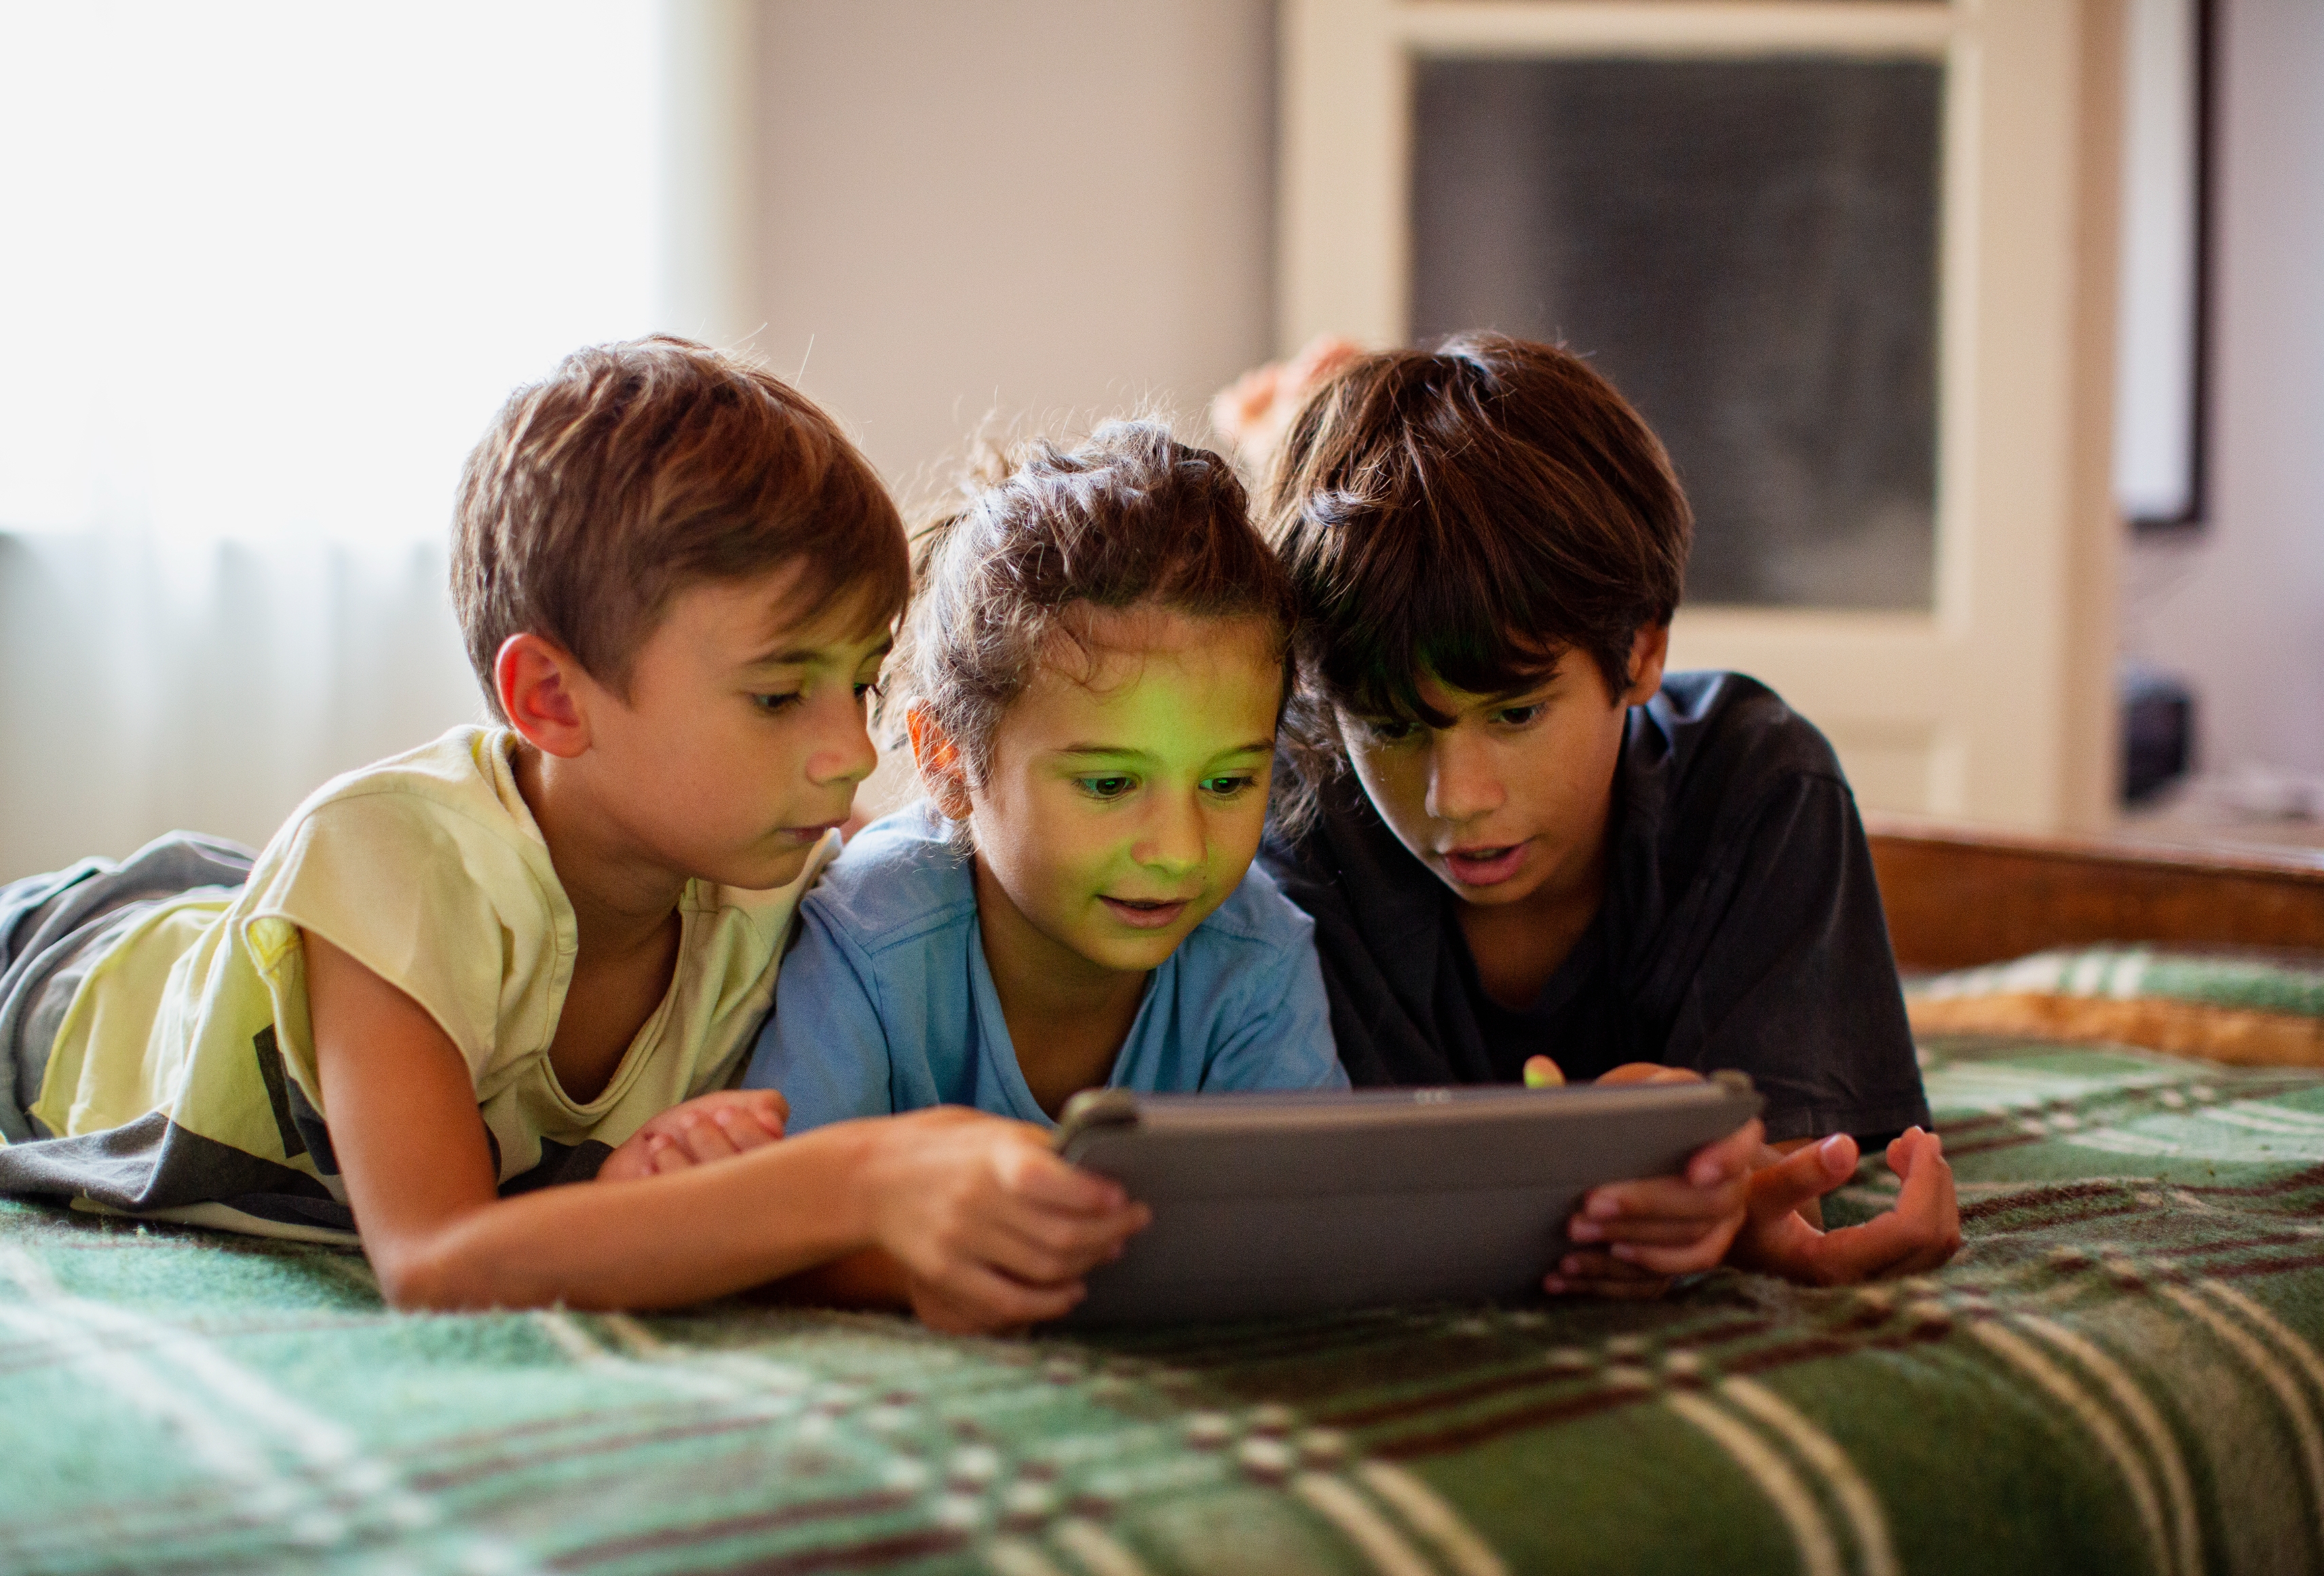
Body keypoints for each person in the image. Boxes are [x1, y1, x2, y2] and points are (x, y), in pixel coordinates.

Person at [0, 337, 1147, 1330]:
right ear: (551, 698)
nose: (851, 750)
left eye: (858, 684)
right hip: (67, 976)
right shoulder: (398, 862)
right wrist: (851, 1182)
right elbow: (436, 1260)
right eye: (776, 694)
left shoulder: (782, 868)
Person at [1223, 333, 1962, 1290]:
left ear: (1643, 655)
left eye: (1517, 712)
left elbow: (1782, 1178)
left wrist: (1733, 1207)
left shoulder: (1756, 788)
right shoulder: (1281, 825)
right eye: (1396, 728)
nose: (1459, 798)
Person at [734, 421, 1346, 1146]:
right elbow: (783, 1221)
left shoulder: (1257, 958)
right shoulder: (868, 939)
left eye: (1227, 782)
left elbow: (1293, 1238)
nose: (1179, 851)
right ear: (948, 763)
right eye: (1110, 783)